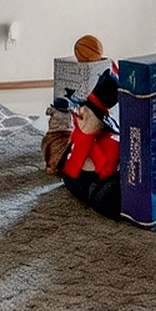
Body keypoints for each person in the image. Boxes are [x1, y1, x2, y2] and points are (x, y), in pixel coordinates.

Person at [60, 71, 124, 218]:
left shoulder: (108, 131)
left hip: (114, 171)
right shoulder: (83, 137)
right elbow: (75, 167)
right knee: (107, 197)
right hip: (91, 180)